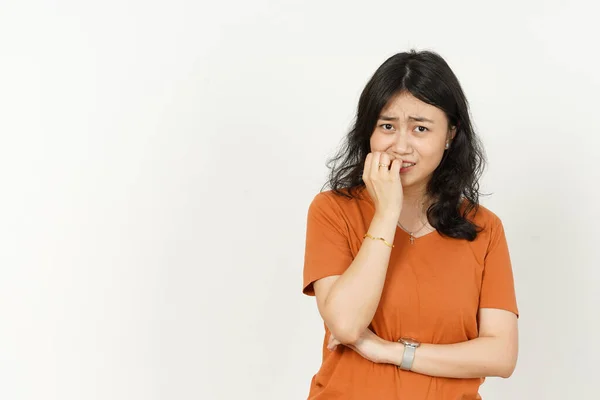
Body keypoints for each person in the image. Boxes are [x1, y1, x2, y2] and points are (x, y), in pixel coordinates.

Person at [301, 50, 519, 400]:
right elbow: (345, 322)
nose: (400, 146)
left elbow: (501, 355)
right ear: (368, 130)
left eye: (420, 128)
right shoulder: (332, 210)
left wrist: (389, 351)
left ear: (450, 134)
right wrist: (387, 212)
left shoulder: (484, 228)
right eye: (387, 126)